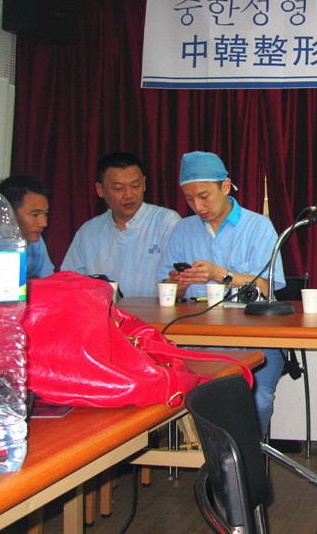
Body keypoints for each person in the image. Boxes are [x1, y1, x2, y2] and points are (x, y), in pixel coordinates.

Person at [158, 151, 286, 436]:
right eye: (189, 199)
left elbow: (268, 287)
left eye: (204, 196)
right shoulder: (182, 230)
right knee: (185, 394)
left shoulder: (257, 227)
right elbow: (166, 286)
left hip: (255, 339)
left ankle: (246, 458)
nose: (197, 206)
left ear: (225, 187)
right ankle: (211, 458)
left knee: (255, 400)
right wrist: (177, 285)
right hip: (197, 339)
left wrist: (221, 276)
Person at [61, 152, 180, 297]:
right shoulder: (88, 232)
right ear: (100, 190)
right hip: (104, 311)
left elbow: (178, 282)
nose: (129, 195)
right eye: (118, 189)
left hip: (155, 312)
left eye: (135, 186)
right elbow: (69, 283)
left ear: (144, 183)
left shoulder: (166, 222)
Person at [0, 175, 54, 279]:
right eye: (35, 215)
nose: (43, 223)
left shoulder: (35, 240)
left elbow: (47, 280)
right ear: (7, 213)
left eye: (45, 214)